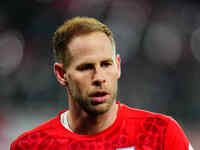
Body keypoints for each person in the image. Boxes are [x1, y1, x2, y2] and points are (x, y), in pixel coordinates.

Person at [10, 16, 194, 150]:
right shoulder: (31, 146)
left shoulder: (160, 134)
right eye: (86, 67)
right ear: (61, 74)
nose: (99, 77)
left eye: (106, 64)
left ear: (118, 67)